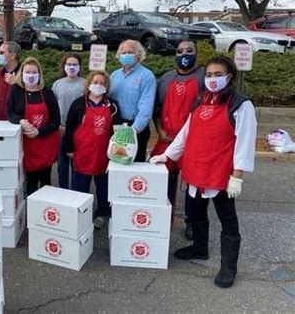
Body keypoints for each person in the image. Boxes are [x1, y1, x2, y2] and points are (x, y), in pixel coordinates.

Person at [150, 56, 257, 289]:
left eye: (217, 75)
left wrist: (237, 175)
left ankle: (229, 267)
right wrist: (167, 155)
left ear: (229, 77)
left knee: (227, 219)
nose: (212, 79)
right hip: (195, 169)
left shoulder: (240, 104)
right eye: (208, 75)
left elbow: (245, 142)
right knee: (197, 212)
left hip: (220, 173)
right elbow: (185, 134)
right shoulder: (201, 100)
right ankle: (200, 248)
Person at [150, 40, 205, 240]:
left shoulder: (203, 76)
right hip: (167, 138)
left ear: (196, 54)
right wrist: (160, 131)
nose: (184, 54)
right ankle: (165, 216)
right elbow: (156, 110)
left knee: (193, 183)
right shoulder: (165, 79)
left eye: (189, 50)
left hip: (194, 139)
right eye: (180, 51)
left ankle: (192, 221)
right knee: (165, 180)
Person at [64, 71, 122, 229]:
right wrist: (69, 148)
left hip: (104, 154)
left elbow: (118, 131)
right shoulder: (78, 104)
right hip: (82, 153)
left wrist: (117, 152)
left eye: (102, 83)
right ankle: (79, 212)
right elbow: (69, 129)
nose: (98, 85)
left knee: (103, 186)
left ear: (106, 86)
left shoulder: (113, 105)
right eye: (95, 82)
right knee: (79, 186)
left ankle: (102, 214)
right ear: (88, 84)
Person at [6, 57, 60, 195]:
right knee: (30, 182)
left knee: (46, 181)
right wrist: (21, 121)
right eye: (27, 72)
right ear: (22, 73)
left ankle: (45, 209)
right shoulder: (16, 91)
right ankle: (31, 210)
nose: (31, 76)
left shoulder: (47, 93)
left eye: (34, 73)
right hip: (27, 145)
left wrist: (39, 132)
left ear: (39, 74)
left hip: (45, 143)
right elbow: (9, 113)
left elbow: (55, 120)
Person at [109, 39, 156, 162]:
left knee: (133, 167)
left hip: (136, 128)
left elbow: (146, 109)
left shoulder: (146, 76)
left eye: (130, 52)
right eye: (123, 52)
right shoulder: (114, 76)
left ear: (138, 55)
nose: (126, 55)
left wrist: (131, 132)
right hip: (117, 126)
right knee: (116, 163)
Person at [52, 53, 85, 189]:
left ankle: (76, 192)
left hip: (79, 130)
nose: (71, 67)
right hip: (62, 129)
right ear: (64, 66)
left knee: (77, 164)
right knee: (62, 165)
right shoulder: (57, 84)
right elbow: (52, 107)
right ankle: (63, 191)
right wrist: (58, 125)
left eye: (75, 64)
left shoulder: (84, 84)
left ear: (79, 66)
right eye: (69, 64)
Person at [0, 41, 21, 120]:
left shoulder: (23, 74)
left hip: (15, 121)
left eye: (2, 53)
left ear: (12, 55)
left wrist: (16, 84)